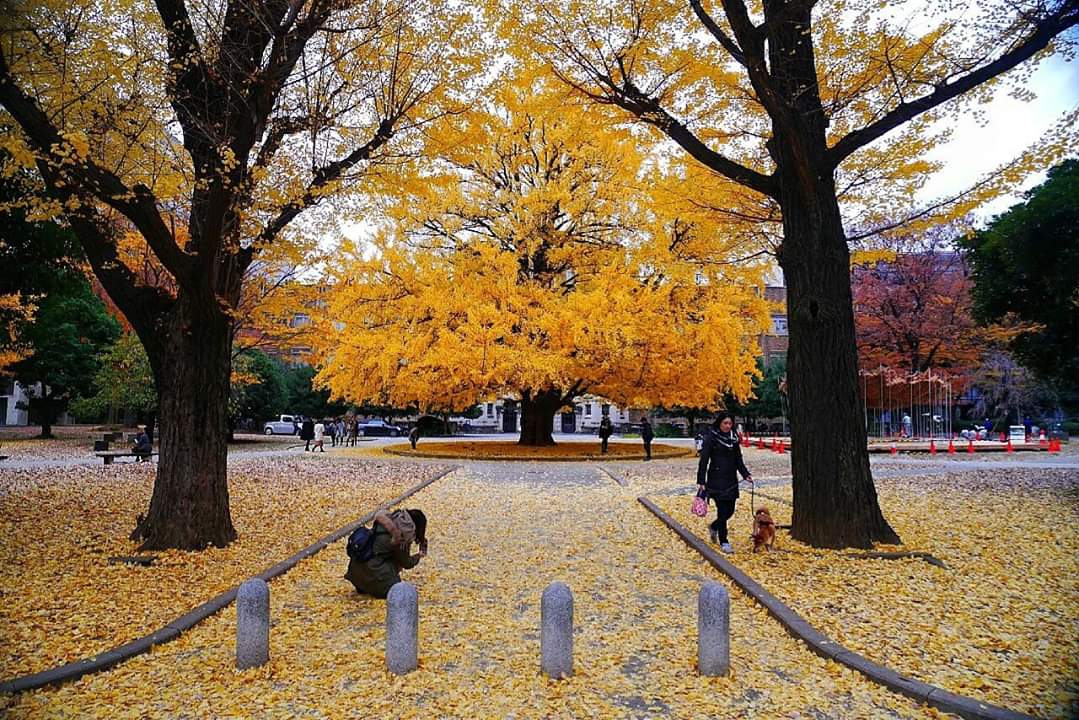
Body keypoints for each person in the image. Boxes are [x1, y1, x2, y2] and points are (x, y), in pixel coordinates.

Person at [697, 413, 753, 554]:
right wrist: (701, 480)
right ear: (719, 423)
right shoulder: (712, 438)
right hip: (716, 479)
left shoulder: (734, 439)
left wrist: (745, 474)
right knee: (722, 511)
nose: (728, 426)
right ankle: (724, 540)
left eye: (730, 423)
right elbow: (704, 459)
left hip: (730, 478)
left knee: (730, 510)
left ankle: (714, 526)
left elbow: (738, 459)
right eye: (725, 423)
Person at [345, 508, 428, 599]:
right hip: (375, 576)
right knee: (398, 590)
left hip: (356, 575)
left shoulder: (387, 521)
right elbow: (406, 563)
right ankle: (375, 586)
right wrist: (419, 555)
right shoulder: (401, 536)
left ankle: (365, 584)